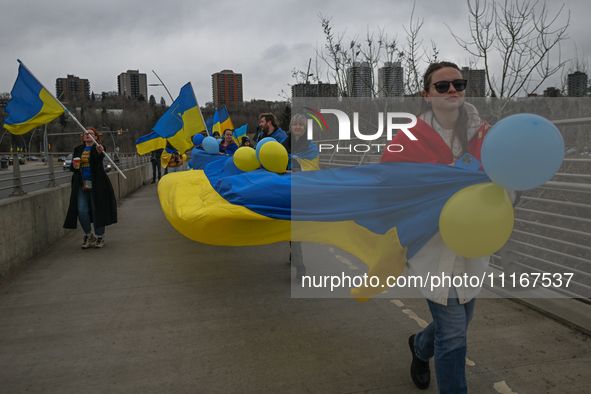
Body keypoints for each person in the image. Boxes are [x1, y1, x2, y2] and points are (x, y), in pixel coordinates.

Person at [381, 61, 491, 393]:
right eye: (442, 86)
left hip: (472, 243)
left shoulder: (484, 133)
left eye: (458, 83)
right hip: (431, 247)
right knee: (455, 333)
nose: (452, 90)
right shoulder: (409, 138)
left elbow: (504, 179)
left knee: (460, 321)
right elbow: (390, 185)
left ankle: (419, 346)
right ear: (427, 95)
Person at [63, 127, 117, 249]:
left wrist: (99, 152)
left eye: (91, 133)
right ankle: (88, 235)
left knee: (96, 208)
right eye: (85, 133)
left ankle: (100, 237)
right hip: (82, 184)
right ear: (83, 137)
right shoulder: (78, 149)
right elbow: (73, 169)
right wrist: (74, 165)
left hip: (97, 184)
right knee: (81, 210)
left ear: (96, 136)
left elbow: (97, 160)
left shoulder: (98, 148)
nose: (88, 135)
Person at [282, 114, 320, 280]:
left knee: (294, 226)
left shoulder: (311, 148)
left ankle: (300, 265)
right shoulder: (282, 145)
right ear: (291, 127)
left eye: (301, 125)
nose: (298, 127)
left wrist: (293, 171)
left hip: (301, 191)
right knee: (286, 225)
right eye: (295, 124)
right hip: (283, 189)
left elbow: (312, 169)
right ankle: (294, 252)